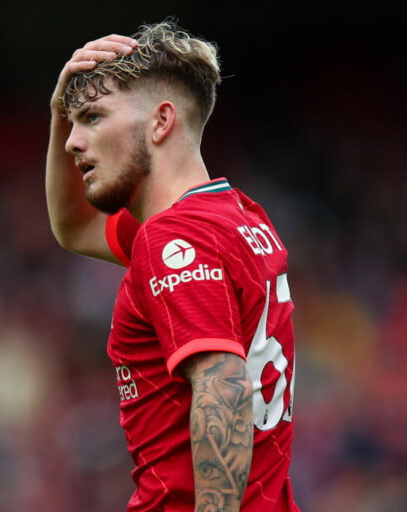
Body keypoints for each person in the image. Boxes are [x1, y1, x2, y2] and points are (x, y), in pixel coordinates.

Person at [45, 21, 301, 512]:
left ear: (161, 122)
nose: (73, 141)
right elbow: (73, 227)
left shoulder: (173, 238)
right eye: (73, 123)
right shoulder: (240, 217)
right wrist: (58, 112)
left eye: (93, 117)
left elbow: (220, 383)